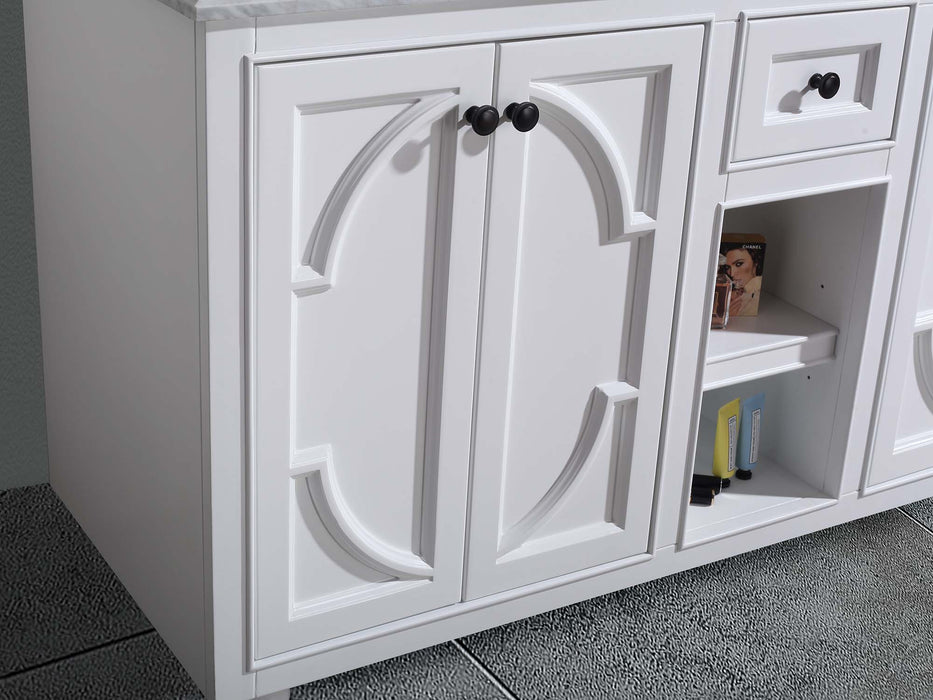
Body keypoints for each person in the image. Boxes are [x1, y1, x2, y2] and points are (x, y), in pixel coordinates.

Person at [723, 243, 764, 317]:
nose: (731, 274)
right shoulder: (733, 294)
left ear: (755, 263)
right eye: (727, 267)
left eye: (739, 264)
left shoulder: (756, 298)